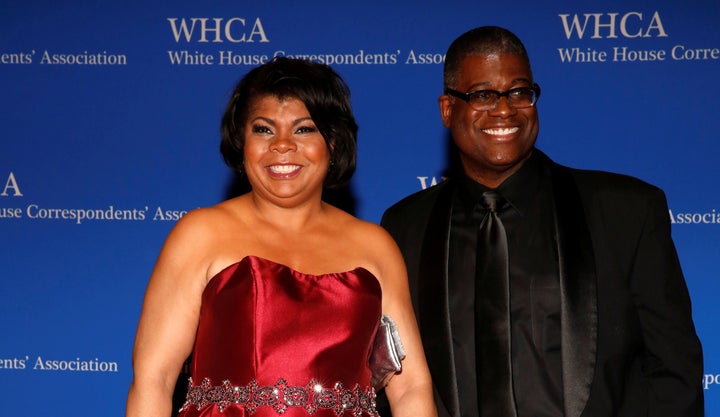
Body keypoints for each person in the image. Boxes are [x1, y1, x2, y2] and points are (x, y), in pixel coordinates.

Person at [380, 26, 704, 417]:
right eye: (483, 95)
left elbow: (674, 373)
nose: (504, 109)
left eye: (519, 92)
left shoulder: (627, 213)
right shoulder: (405, 227)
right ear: (448, 109)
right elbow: (396, 380)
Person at [126, 57, 437, 417]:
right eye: (264, 129)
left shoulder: (375, 247)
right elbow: (154, 379)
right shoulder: (200, 234)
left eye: (303, 129)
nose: (282, 145)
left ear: (332, 142)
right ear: (241, 141)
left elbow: (411, 387)